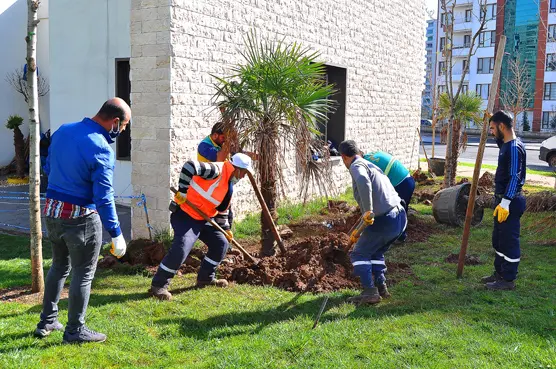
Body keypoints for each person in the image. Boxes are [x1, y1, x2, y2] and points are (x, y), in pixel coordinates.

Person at [35, 98, 131, 343]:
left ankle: (47, 322)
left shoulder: (64, 130)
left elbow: (47, 164)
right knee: (83, 274)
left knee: (59, 267)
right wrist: (116, 232)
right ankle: (75, 331)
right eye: (124, 127)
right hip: (81, 220)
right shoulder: (100, 147)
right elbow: (104, 196)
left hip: (52, 213)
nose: (122, 132)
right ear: (115, 122)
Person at [149, 153, 254, 301]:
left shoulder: (228, 186)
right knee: (182, 247)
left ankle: (206, 278)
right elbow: (190, 166)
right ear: (236, 169)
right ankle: (158, 286)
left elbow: (221, 211)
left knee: (221, 243)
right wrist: (183, 191)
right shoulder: (216, 170)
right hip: (186, 214)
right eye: (243, 172)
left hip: (204, 219)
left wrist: (226, 229)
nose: (243, 176)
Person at [338, 140, 407, 305]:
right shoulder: (369, 164)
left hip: (385, 220)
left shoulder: (356, 166)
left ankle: (370, 293)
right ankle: (381, 287)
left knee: (359, 253)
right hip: (399, 216)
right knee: (375, 252)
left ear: (343, 157)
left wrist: (368, 210)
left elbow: (362, 180)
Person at [482, 111, 526, 291]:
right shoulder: (506, 144)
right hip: (501, 201)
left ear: (502, 126)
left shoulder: (515, 147)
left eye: (493, 128)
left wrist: (506, 202)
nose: (491, 132)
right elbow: (500, 139)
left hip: (511, 202)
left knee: (509, 241)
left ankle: (508, 280)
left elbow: (515, 177)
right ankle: (499, 272)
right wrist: (492, 117)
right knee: (498, 240)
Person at [363, 150, 415, 241]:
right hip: (408, 179)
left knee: (397, 211)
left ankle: (398, 237)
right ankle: (396, 235)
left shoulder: (365, 164)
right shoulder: (371, 155)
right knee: (401, 210)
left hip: (401, 184)